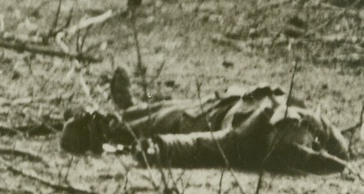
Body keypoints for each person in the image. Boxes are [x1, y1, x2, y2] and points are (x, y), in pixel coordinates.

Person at [60, 68, 349, 174]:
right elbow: (341, 149)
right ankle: (130, 107)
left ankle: (98, 128)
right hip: (225, 101)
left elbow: (202, 144)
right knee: (161, 108)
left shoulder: (248, 138)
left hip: (203, 122)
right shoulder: (307, 126)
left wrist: (161, 148)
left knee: (158, 118)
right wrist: (318, 125)